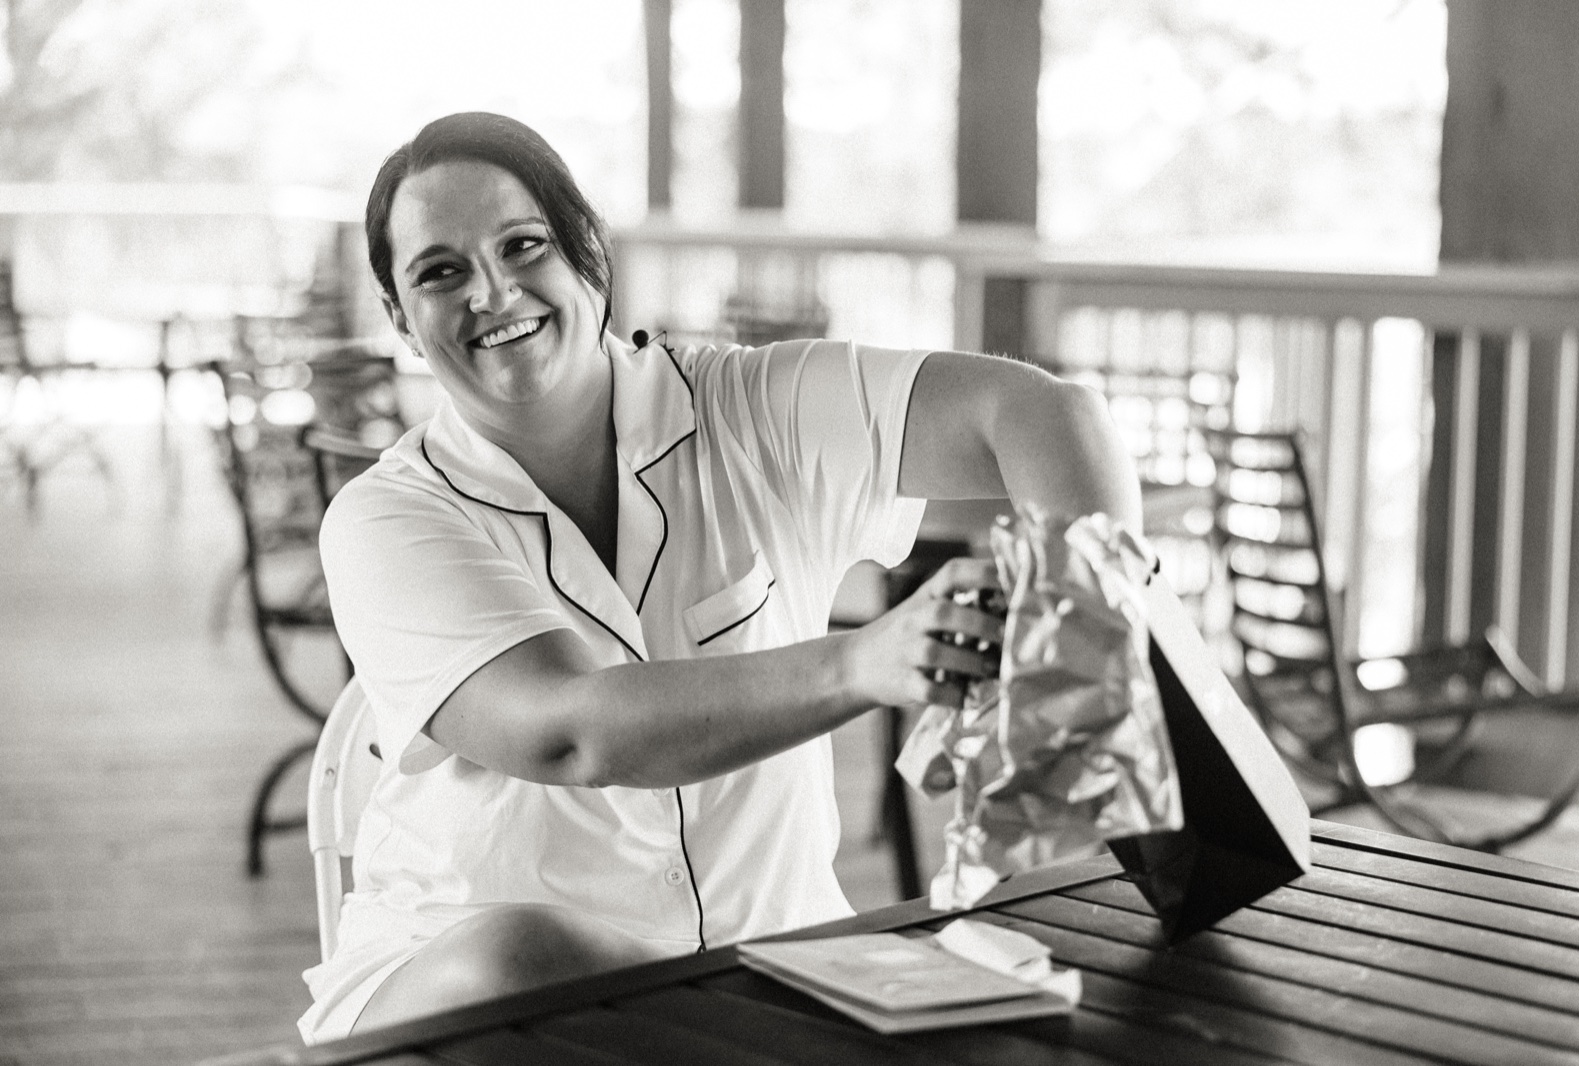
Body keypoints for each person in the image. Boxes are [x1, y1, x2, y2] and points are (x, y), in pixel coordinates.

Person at [297, 110, 1142, 1042]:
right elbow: (567, 732)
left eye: (523, 245)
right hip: (472, 1010)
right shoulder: (385, 519)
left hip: (772, 982)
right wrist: (863, 662)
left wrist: (1084, 648)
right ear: (400, 320)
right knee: (516, 961)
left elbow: (1040, 416)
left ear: (588, 251)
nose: (494, 293)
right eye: (440, 271)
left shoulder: (747, 410)